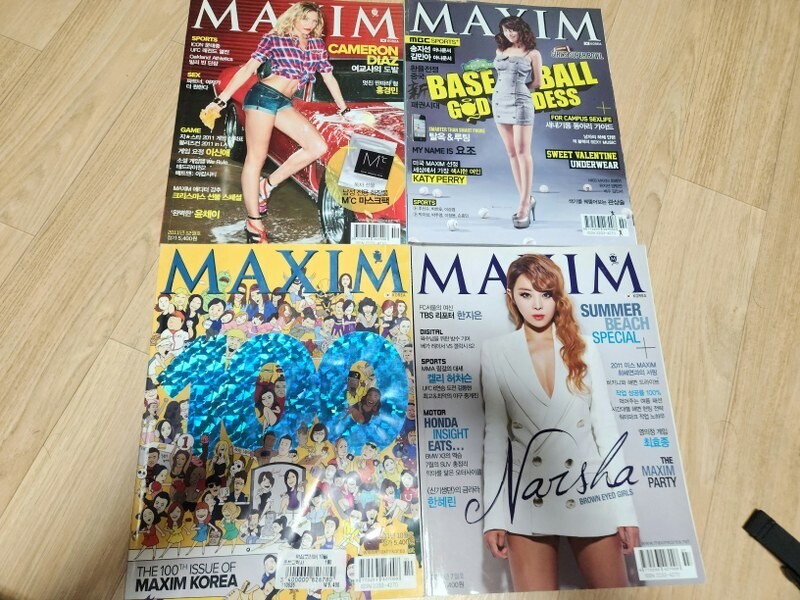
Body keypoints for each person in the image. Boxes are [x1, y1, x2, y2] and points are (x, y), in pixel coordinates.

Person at [480, 254, 638, 591]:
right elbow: (495, 440)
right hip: (528, 499)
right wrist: (494, 517)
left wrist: (625, 511)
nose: (537, 305)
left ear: (558, 297)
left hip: (589, 491)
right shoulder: (495, 352)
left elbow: (605, 430)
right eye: (526, 294)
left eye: (546, 294)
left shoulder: (583, 348)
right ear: (511, 298)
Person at [203, 2, 350, 243]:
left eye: (314, 21)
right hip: (262, 96)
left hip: (283, 102)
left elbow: (329, 77)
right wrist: (221, 100)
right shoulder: (275, 38)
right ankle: (254, 223)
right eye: (306, 19)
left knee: (317, 147)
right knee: (256, 159)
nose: (310, 24)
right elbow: (247, 69)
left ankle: (267, 186)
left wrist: (344, 109)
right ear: (294, 17)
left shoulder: (316, 45)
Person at [491, 16, 542, 229]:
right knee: (511, 153)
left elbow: (537, 82)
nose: (509, 34)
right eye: (505, 30)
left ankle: (523, 205)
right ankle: (527, 199)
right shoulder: (500, 51)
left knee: (523, 153)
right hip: (498, 102)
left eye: (512, 30)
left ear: (521, 30)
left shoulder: (532, 53)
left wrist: (519, 90)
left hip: (520, 103)